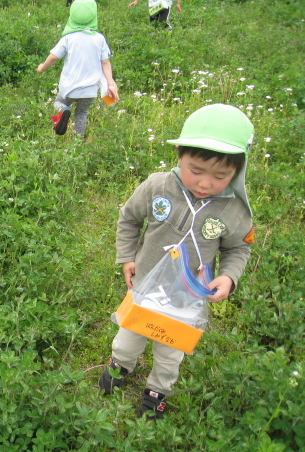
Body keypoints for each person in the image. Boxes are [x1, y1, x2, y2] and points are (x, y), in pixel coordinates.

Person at [99, 104, 255, 419]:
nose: (205, 183)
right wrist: (126, 256)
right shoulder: (157, 186)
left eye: (220, 176)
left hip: (186, 298)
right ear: (180, 155)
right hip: (144, 287)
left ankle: (158, 391)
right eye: (195, 170)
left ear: (237, 172)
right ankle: (120, 367)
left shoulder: (234, 211)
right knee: (128, 337)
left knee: (170, 353)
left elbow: (239, 249)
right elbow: (129, 219)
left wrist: (228, 276)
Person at [36, 0, 118, 140]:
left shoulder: (68, 38)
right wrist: (110, 83)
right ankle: (78, 141)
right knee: (81, 113)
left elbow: (54, 56)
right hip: (90, 89)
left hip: (70, 86)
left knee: (59, 103)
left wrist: (42, 68)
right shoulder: (99, 38)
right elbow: (105, 62)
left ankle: (64, 110)